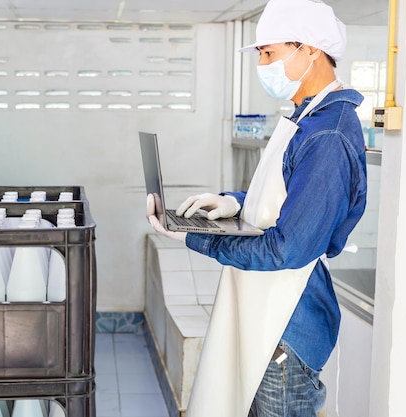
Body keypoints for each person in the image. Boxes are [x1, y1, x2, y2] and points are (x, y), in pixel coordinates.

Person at [146, 0, 367, 416]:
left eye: (269, 53)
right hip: (267, 313)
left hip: (287, 329)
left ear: (310, 50)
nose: (262, 64)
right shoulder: (307, 118)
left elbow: (285, 249)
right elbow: (288, 199)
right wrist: (233, 202)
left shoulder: (328, 135)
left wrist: (195, 237)